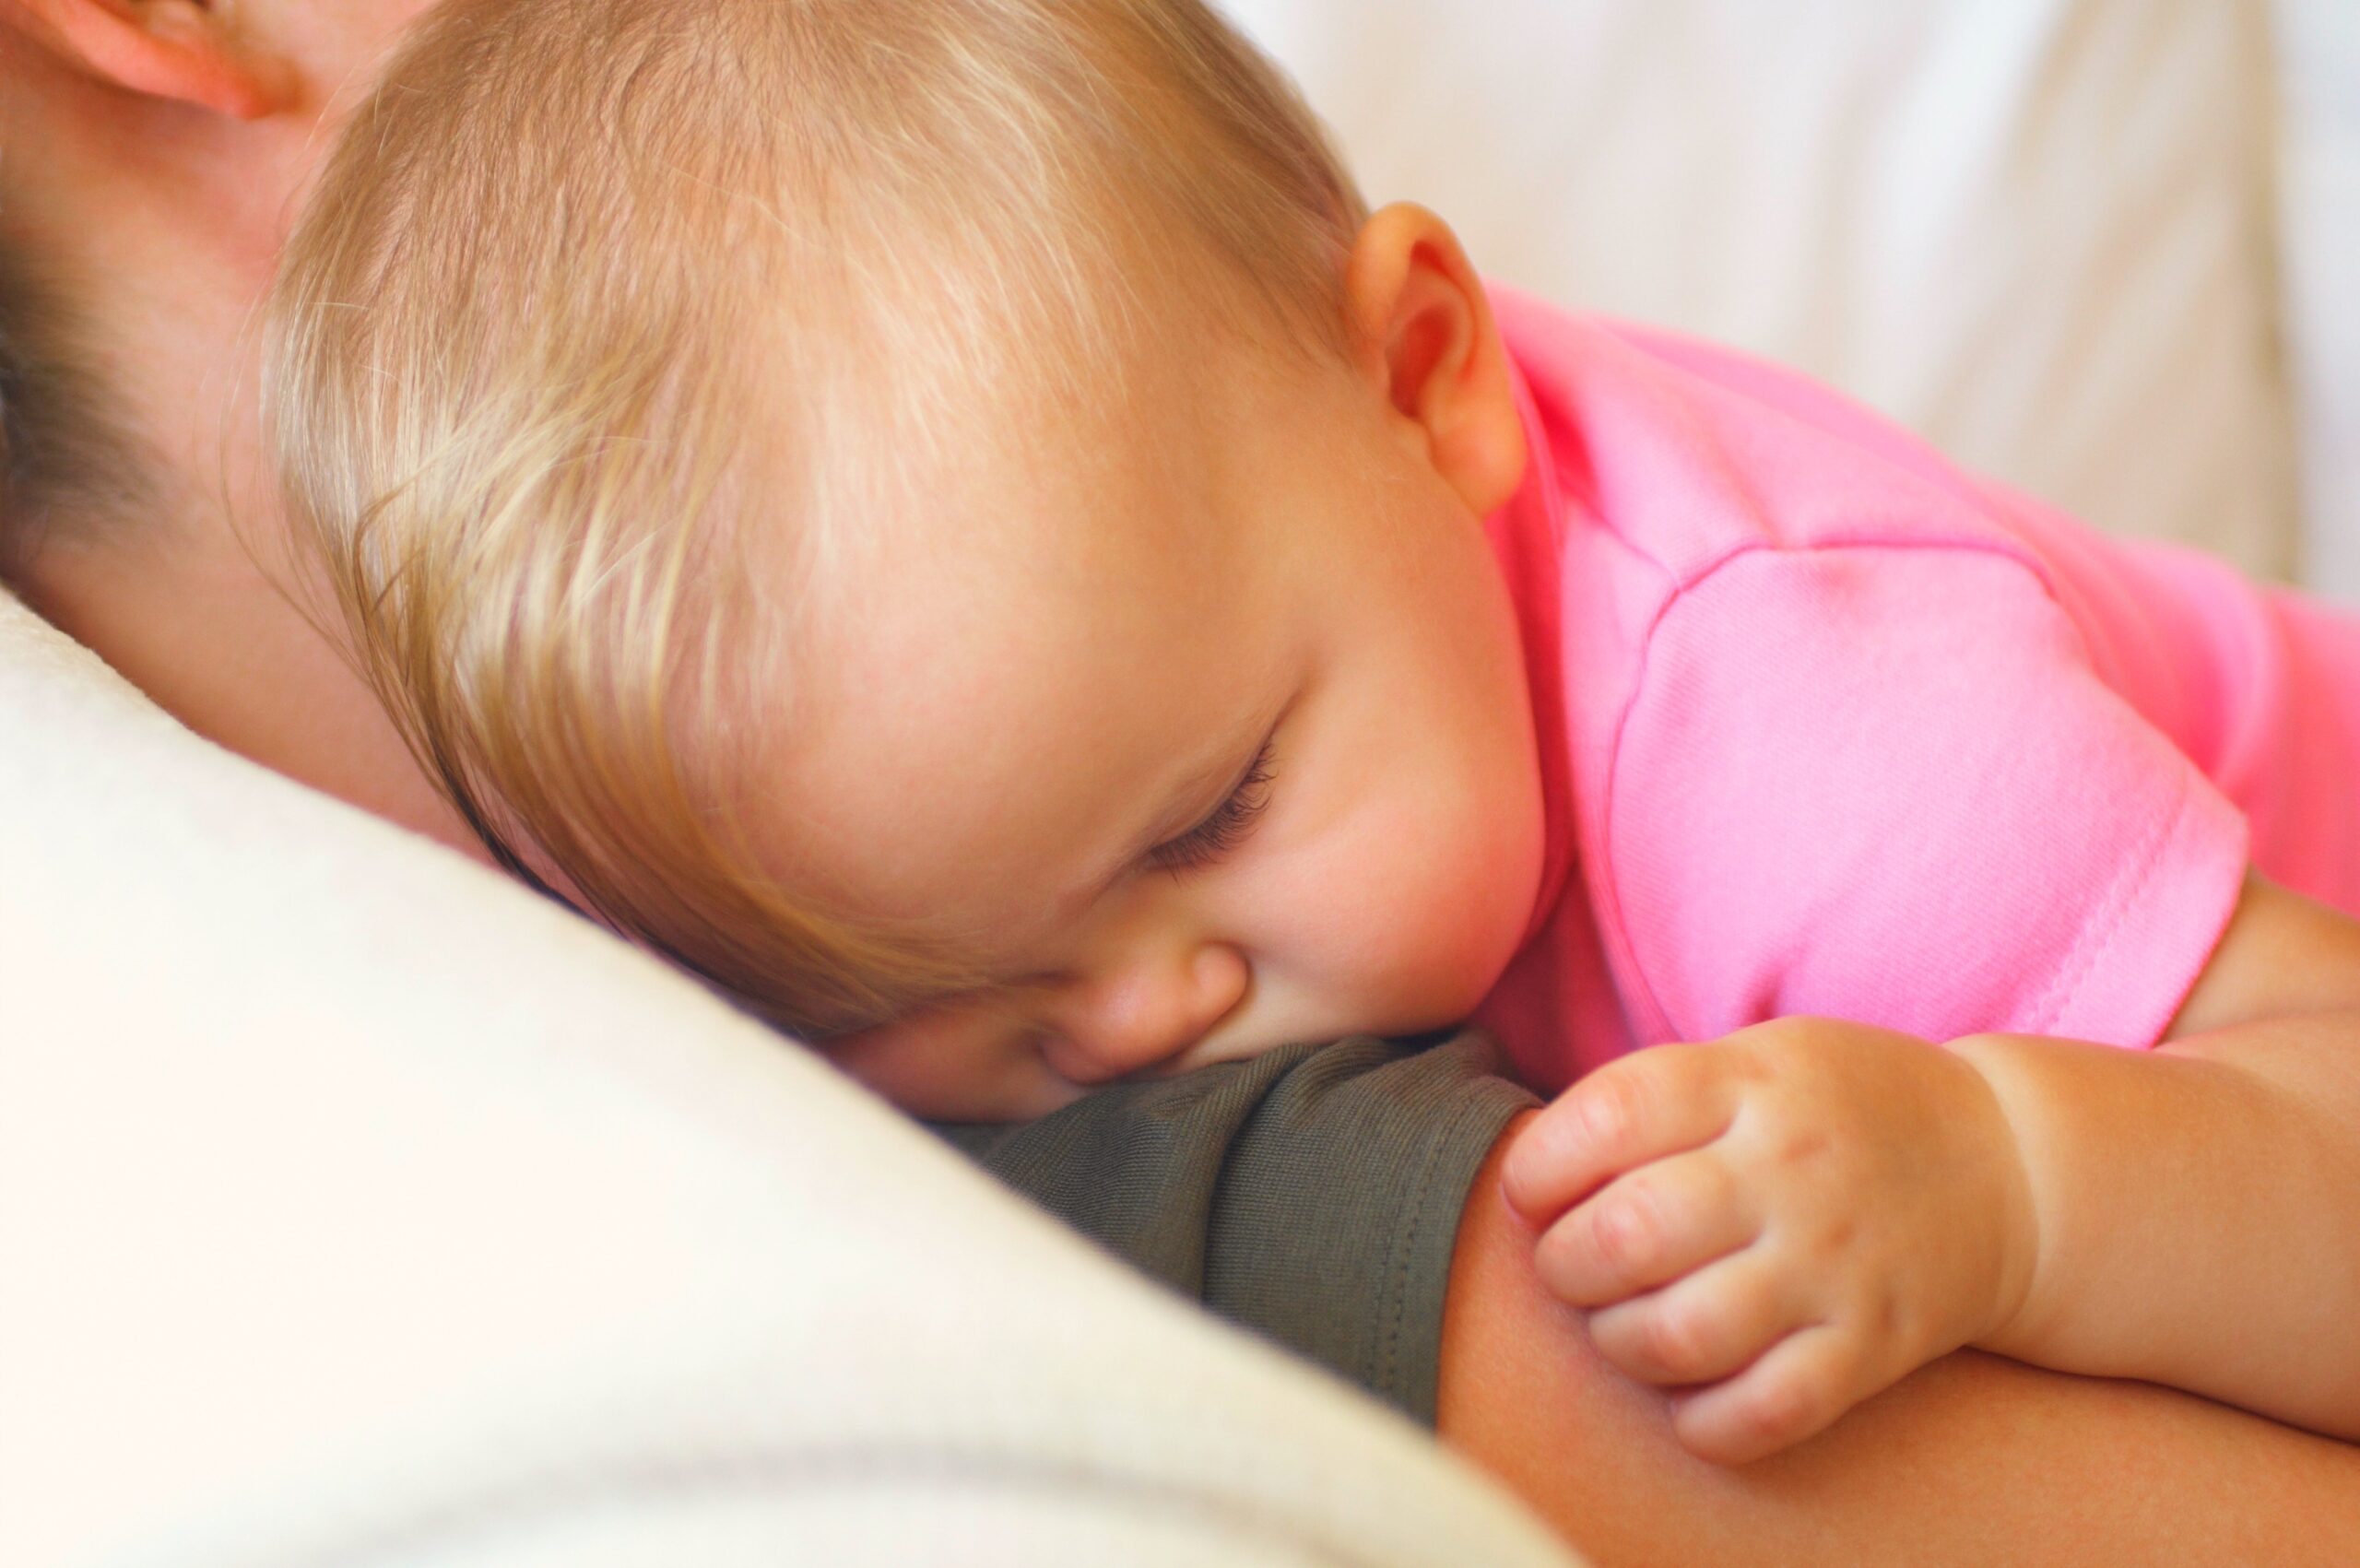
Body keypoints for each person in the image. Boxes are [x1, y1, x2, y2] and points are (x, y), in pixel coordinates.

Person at [4, 0, 2355, 1558]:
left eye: (1205, 814)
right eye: (913, 984)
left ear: (1425, 378)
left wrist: (2014, 1179)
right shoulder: (1181, 604)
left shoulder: (1823, 750)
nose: (1135, 1022)